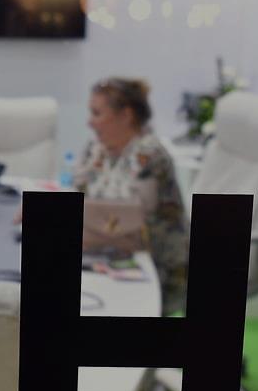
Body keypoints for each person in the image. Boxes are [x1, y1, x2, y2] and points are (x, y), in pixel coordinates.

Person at [76, 77, 189, 315]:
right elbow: (79, 194)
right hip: (105, 251)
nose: (89, 122)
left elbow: (129, 217)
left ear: (126, 116)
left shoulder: (149, 155)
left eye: (97, 113)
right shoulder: (95, 149)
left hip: (154, 263)